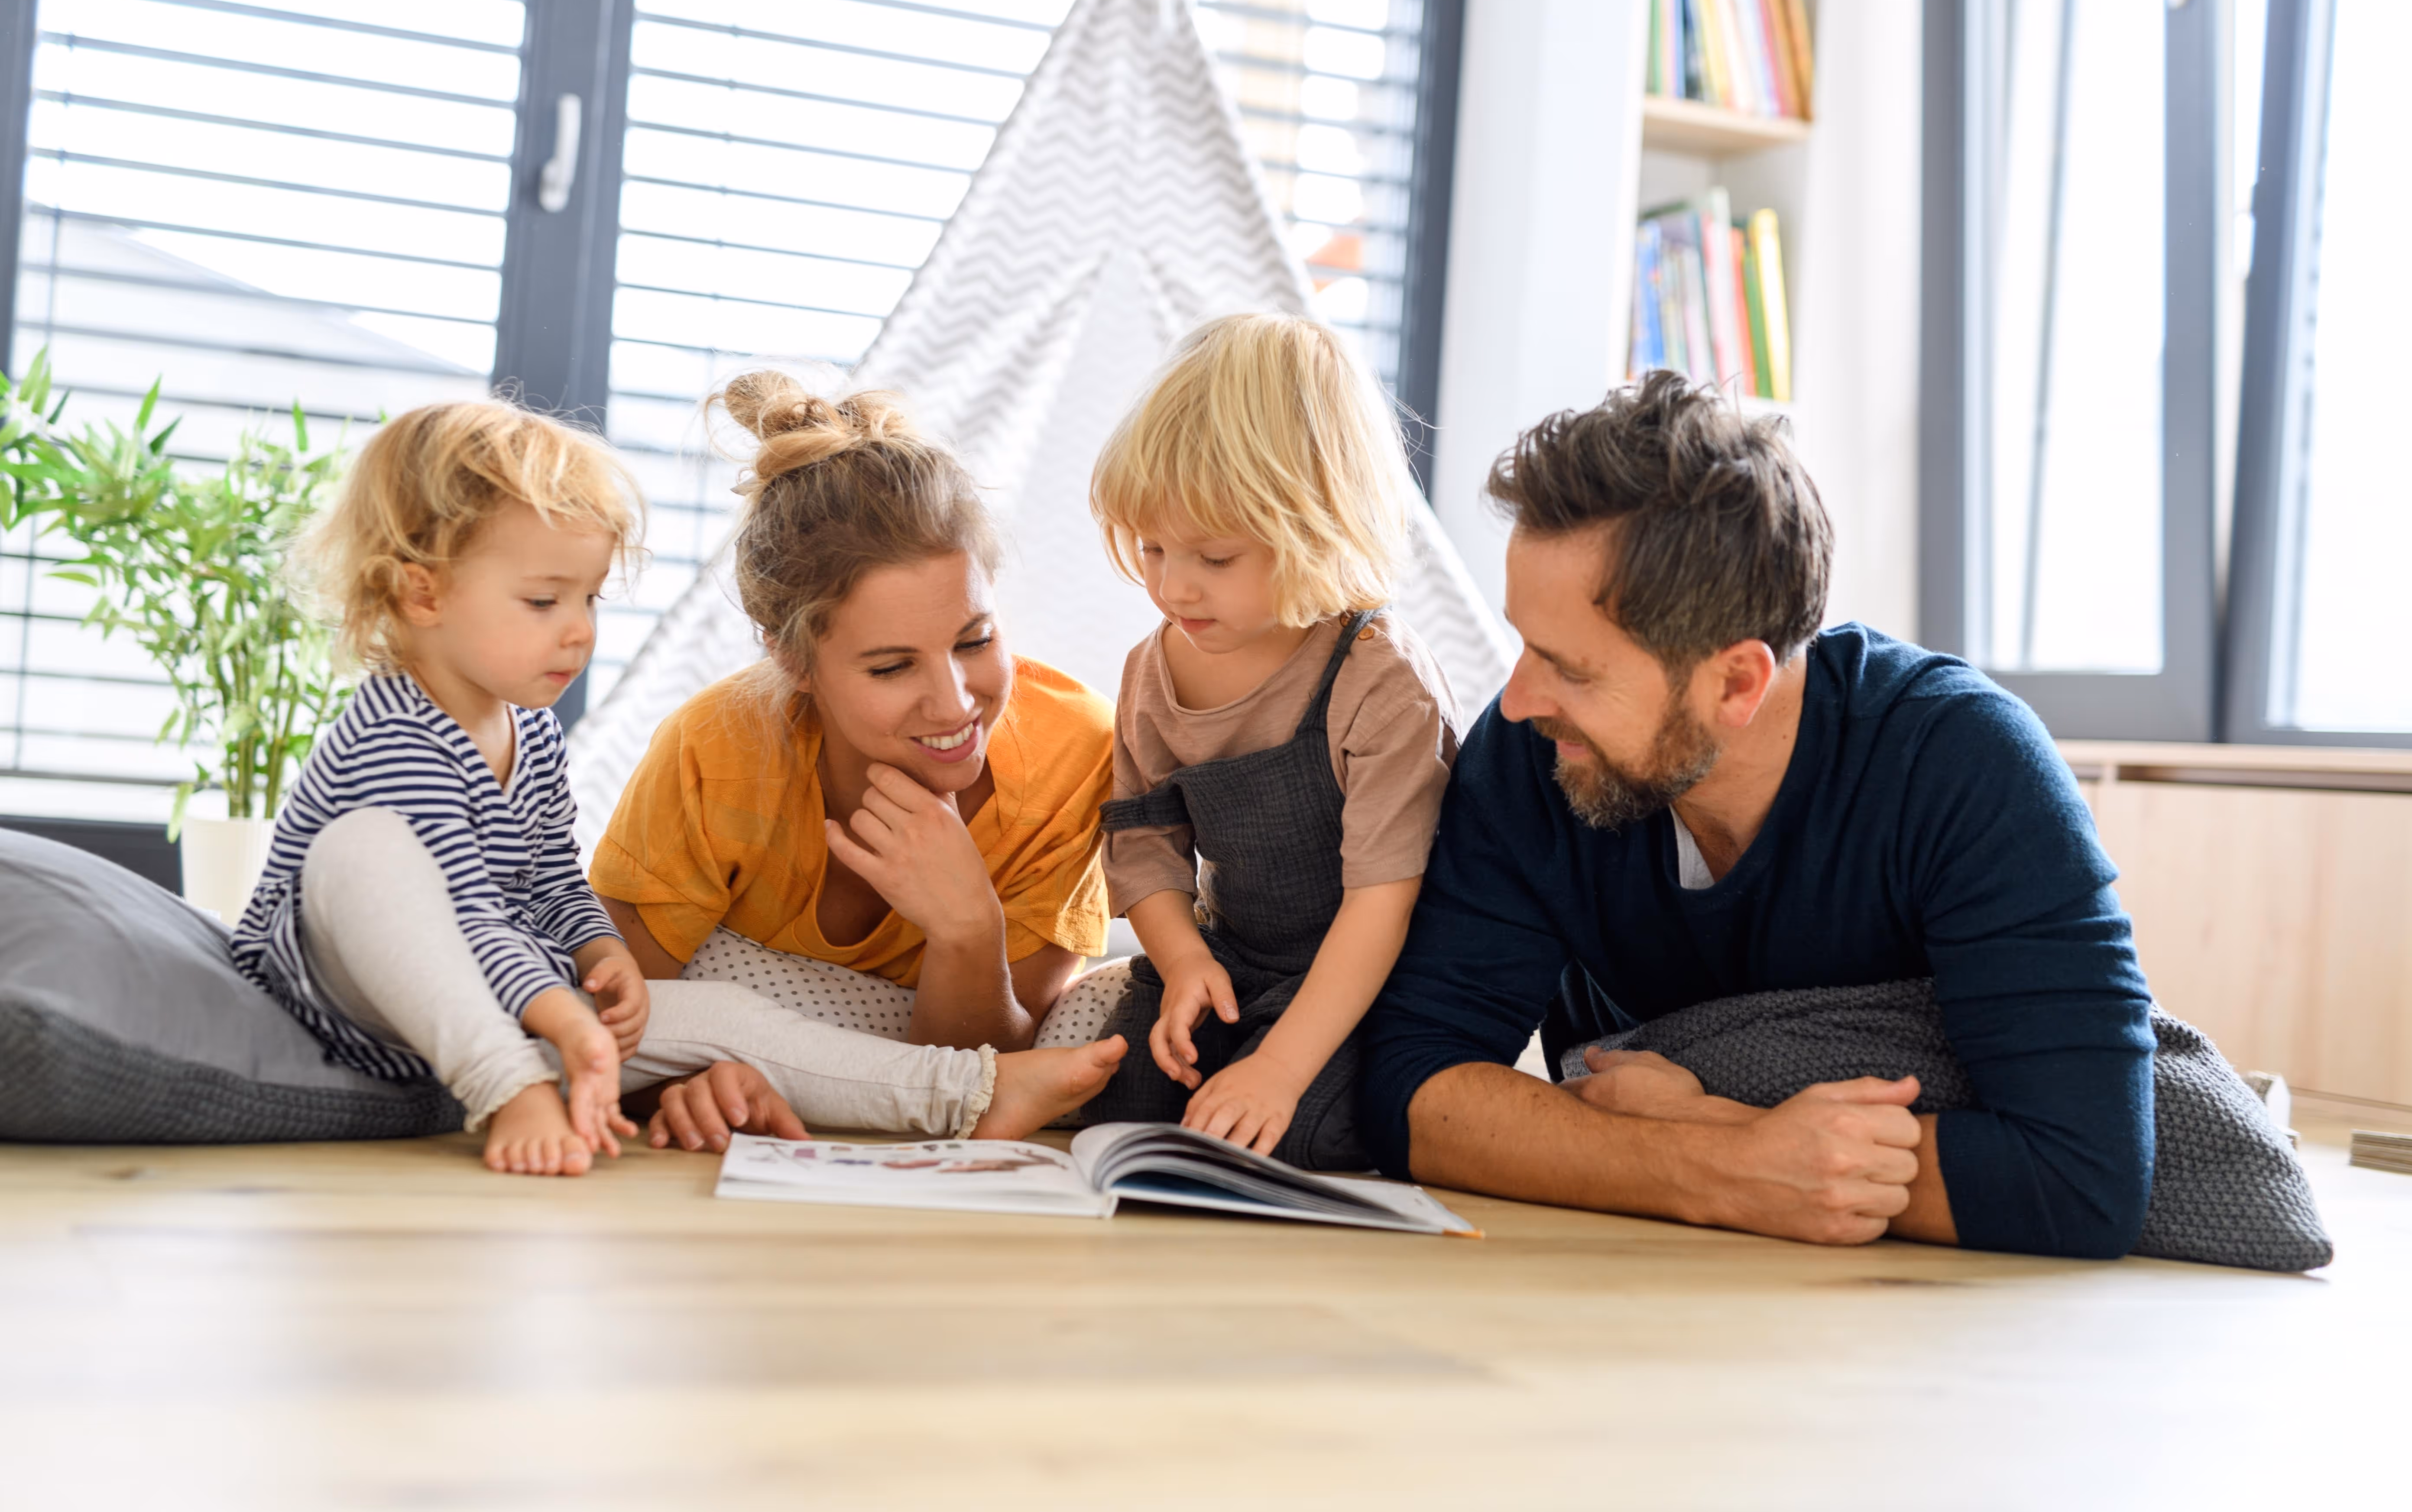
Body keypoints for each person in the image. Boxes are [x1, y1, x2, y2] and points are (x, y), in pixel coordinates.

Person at [1360, 371, 2156, 1256]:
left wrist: (1720, 1134)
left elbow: (2086, 1173)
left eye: (1572, 668)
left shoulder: (1966, 765)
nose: (1516, 700)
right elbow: (1412, 1085)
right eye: (1524, 646)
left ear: (1738, 680)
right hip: (1627, 1288)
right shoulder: (1534, 757)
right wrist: (1717, 1167)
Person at [234, 398, 1119, 1180]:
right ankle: (507, 1087)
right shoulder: (401, 737)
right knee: (364, 850)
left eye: (975, 638)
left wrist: (598, 962)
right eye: (546, 603)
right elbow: (463, 913)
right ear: (422, 594)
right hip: (379, 996)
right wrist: (573, 1019)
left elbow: (548, 881)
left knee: (728, 1012)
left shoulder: (527, 727)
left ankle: (968, 1093)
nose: (579, 634)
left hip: (517, 1000)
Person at [589, 374, 1132, 1153]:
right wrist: (690, 1082)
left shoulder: (1074, 750)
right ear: (793, 658)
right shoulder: (717, 750)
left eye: (975, 641)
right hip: (763, 1020)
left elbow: (990, 1065)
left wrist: (967, 928)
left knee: (1105, 1008)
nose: (954, 706)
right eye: (890, 668)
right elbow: (623, 1019)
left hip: (955, 1048)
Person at [1078, 314, 1460, 1166]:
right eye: (1152, 547)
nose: (1174, 585)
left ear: (1317, 525)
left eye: (1214, 557)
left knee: (1296, 1130)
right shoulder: (1155, 668)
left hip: (1369, 978)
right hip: (1233, 960)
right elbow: (1144, 846)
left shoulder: (1379, 680)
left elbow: (1383, 902)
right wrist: (1180, 960)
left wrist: (1281, 1068)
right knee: (1118, 1097)